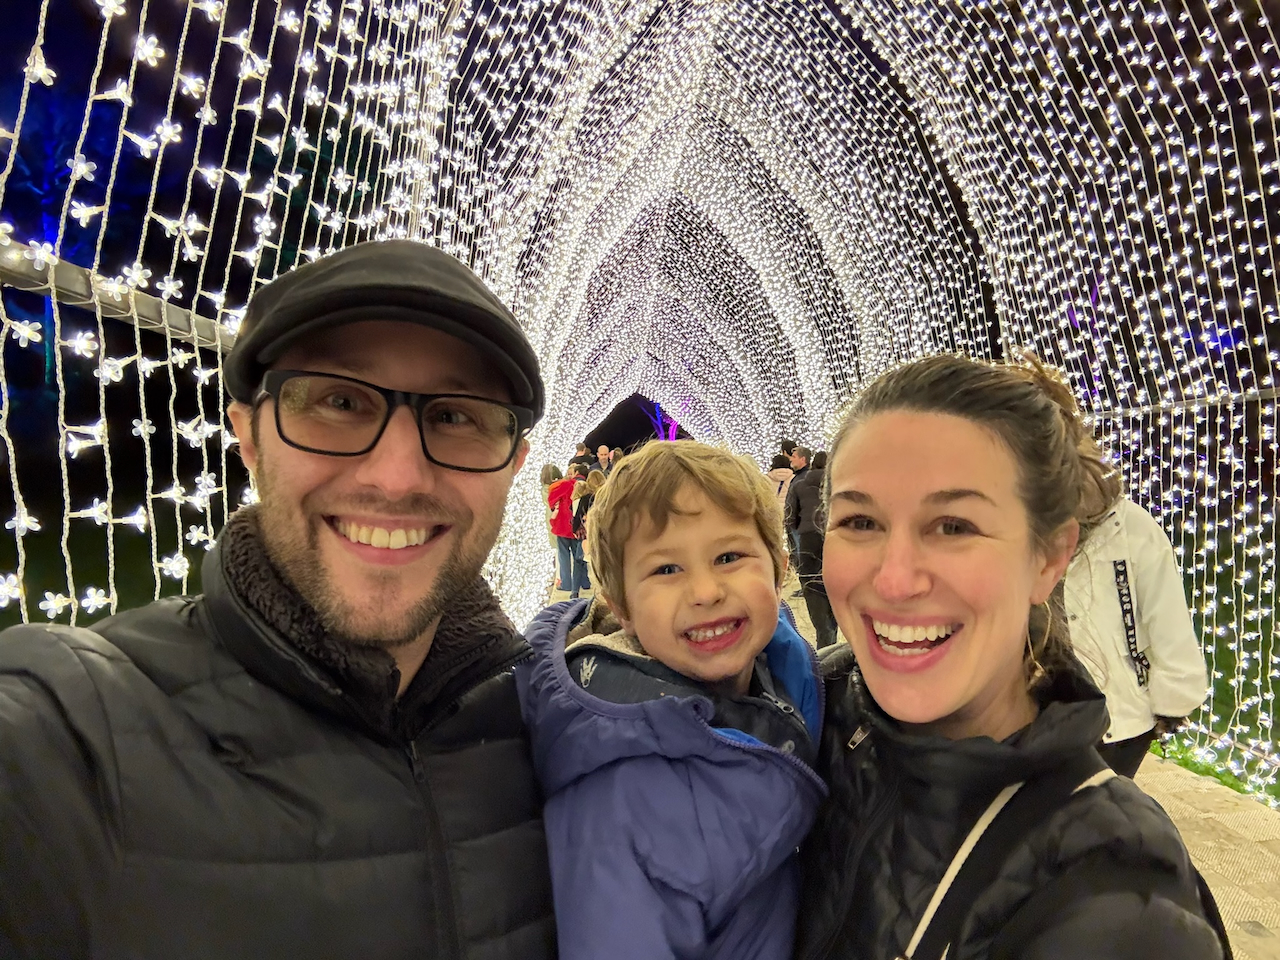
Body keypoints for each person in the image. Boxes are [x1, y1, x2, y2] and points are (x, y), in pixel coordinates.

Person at [0, 240, 556, 958]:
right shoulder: (71, 736)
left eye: (455, 416)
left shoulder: (559, 737)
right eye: (338, 401)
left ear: (512, 465)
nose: (395, 477)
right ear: (249, 437)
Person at [797, 353, 1225, 960]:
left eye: (953, 526)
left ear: (1049, 558)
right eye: (860, 520)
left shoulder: (1119, 907)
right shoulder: (804, 718)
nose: (894, 580)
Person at [517, 440, 825, 960]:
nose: (705, 591)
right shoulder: (616, 798)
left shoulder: (795, 686)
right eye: (665, 570)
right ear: (621, 607)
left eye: (729, 556)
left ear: (780, 567)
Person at [1064, 495, 1209, 777]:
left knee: (1100, 813)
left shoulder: (1130, 525)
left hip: (1118, 719)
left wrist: (1172, 702)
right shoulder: (1017, 514)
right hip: (1036, 715)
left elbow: (1166, 618)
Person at [788, 451, 838, 648]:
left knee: (811, 585)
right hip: (833, 540)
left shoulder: (799, 485)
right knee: (834, 585)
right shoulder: (836, 487)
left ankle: (823, 635)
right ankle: (832, 633)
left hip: (808, 541)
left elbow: (790, 517)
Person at [549, 463, 591, 598]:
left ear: (574, 473)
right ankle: (584, 582)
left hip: (563, 526)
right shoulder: (587, 487)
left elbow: (552, 499)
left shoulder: (564, 485)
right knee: (579, 556)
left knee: (563, 555)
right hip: (578, 528)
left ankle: (566, 583)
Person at [541, 463, 564, 558]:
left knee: (557, 544)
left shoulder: (545, 490)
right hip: (560, 516)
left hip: (551, 516)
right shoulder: (560, 487)